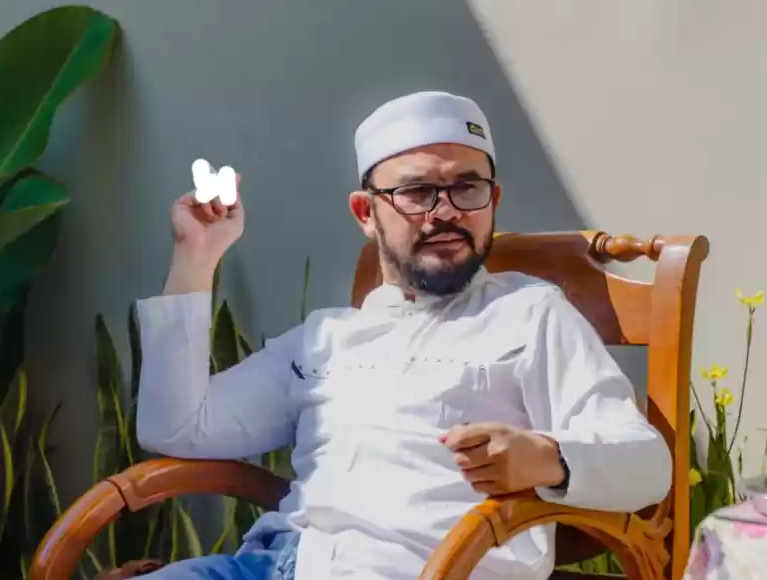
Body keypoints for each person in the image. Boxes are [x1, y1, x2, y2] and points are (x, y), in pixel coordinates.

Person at [134, 91, 671, 580]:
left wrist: (547, 457)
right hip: (266, 567)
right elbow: (176, 428)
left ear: (493, 200)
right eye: (417, 192)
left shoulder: (531, 316)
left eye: (467, 188)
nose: (447, 212)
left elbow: (647, 464)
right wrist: (195, 256)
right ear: (365, 213)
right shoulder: (325, 338)